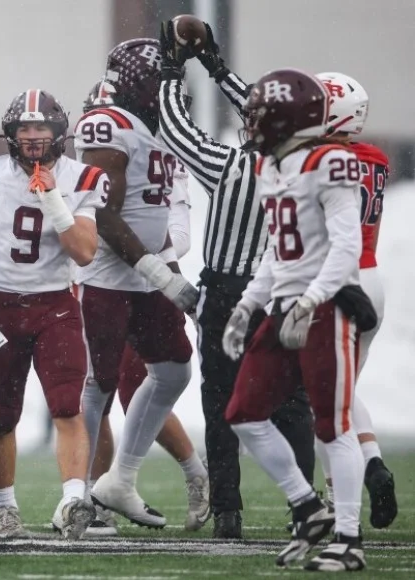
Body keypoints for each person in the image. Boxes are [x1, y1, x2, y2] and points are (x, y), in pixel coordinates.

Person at [156, 20, 316, 538]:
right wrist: (219, 68)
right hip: (284, 291)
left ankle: (228, 509)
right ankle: (304, 507)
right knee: (292, 402)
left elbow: (176, 127)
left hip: (228, 292)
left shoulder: (230, 166)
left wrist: (174, 68)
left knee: (222, 402)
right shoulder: (308, 164)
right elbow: (273, 112)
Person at [222, 68, 372, 572]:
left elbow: (346, 245)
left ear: (289, 117)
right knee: (243, 412)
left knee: (333, 426)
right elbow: (276, 251)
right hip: (287, 306)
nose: (253, 123)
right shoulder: (271, 167)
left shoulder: (331, 160)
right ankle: (308, 506)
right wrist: (248, 303)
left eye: (261, 114)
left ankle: (349, 539)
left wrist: (311, 301)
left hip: (325, 308)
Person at [0, 89, 104, 539]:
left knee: (67, 407)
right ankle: (6, 509)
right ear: (11, 134)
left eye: (41, 127)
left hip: (55, 305)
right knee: (2, 416)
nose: (34, 136)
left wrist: (53, 199)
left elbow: (83, 252)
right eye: (25, 128)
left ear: (59, 132)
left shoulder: (83, 176)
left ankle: (71, 501)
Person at [73, 38, 199, 530]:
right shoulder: (108, 124)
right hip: (108, 276)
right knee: (99, 386)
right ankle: (77, 495)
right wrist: (155, 271)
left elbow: (155, 213)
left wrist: (171, 272)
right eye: (159, 80)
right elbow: (103, 211)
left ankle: (120, 479)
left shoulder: (158, 127)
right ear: (136, 83)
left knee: (174, 371)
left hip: (149, 272)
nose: (168, 90)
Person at [314, 72, 397, 529]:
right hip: (372, 276)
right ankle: (372, 463)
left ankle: (340, 493)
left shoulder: (320, 159)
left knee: (325, 398)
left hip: (337, 280)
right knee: (339, 394)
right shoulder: (376, 158)